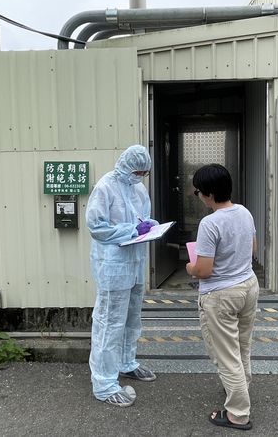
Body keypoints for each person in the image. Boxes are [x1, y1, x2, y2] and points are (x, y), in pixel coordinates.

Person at [186, 163, 258, 431]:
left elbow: (204, 270)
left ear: (209, 193)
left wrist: (190, 267)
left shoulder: (210, 223)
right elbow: (252, 249)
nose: (198, 196)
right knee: (242, 345)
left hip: (221, 294)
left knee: (226, 355)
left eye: (197, 192)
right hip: (248, 286)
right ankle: (240, 388)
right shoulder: (244, 212)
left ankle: (238, 413)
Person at [85, 144, 159, 407]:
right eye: (137, 171)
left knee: (131, 318)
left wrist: (149, 227)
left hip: (136, 262)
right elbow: (96, 226)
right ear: (126, 166)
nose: (140, 176)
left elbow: (143, 217)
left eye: (144, 172)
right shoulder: (105, 186)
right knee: (109, 322)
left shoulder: (138, 188)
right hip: (114, 265)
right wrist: (131, 231)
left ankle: (127, 362)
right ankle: (103, 382)